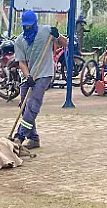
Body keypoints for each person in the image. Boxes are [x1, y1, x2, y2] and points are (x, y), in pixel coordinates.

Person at [12, 10, 67, 150]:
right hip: (28, 76)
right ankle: (34, 138)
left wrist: (58, 35)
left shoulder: (46, 31)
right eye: (25, 26)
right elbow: (21, 62)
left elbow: (65, 43)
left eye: (30, 25)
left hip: (45, 73)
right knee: (24, 107)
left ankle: (20, 136)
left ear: (35, 23)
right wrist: (28, 76)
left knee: (33, 104)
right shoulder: (19, 41)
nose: (28, 28)